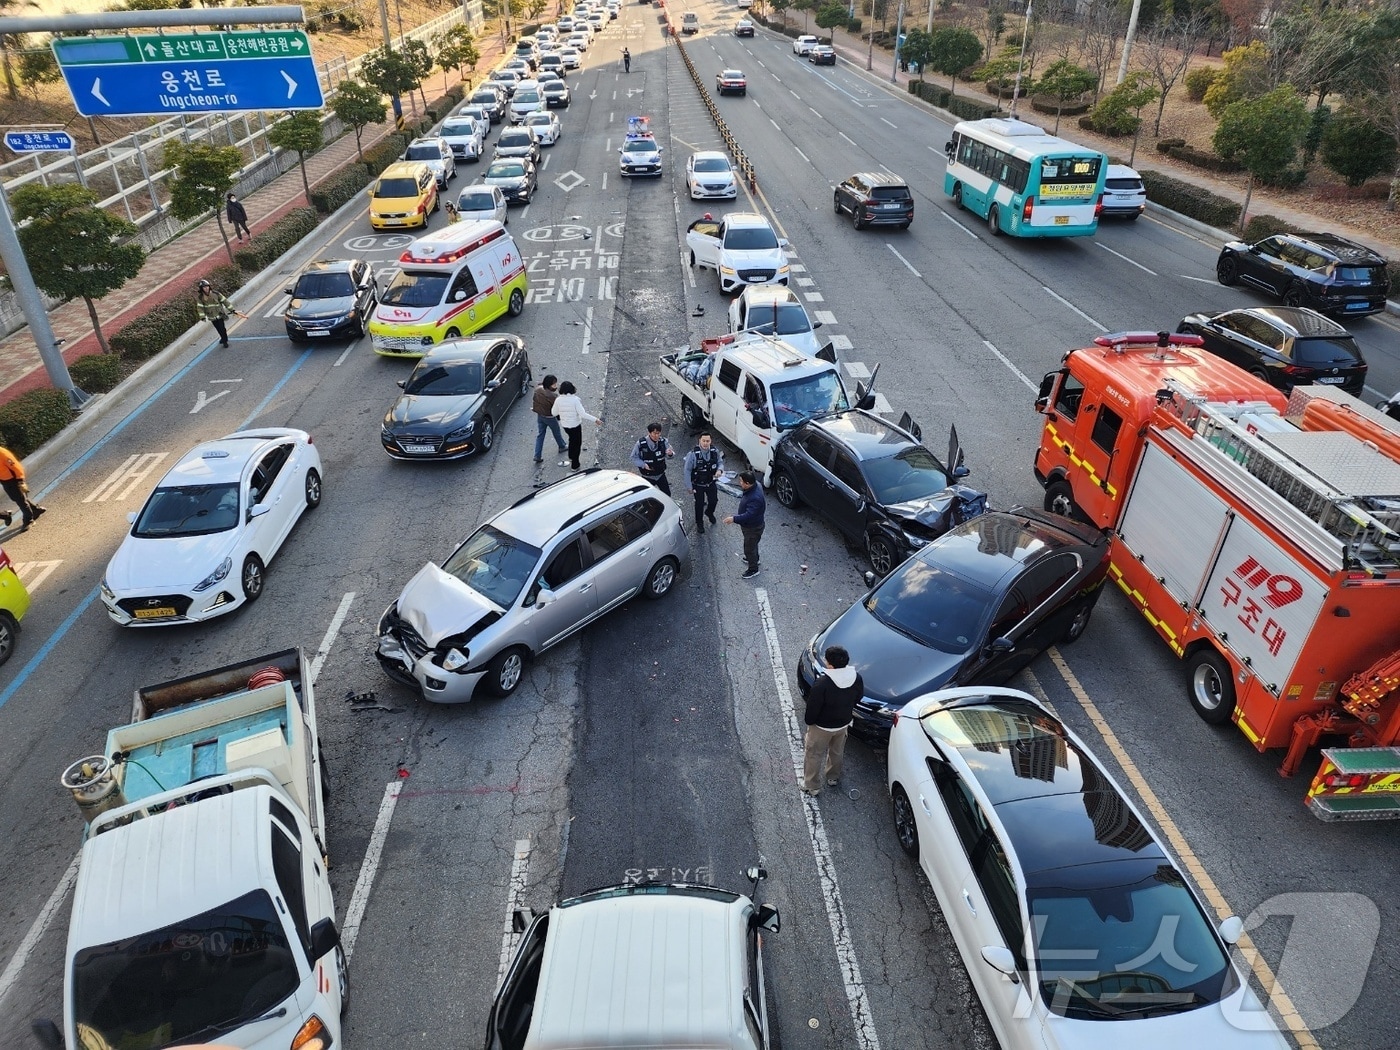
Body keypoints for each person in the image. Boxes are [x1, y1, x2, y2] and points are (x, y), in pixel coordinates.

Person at [802, 646, 863, 796]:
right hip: (843, 724)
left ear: (830, 664)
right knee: (836, 751)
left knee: (814, 754)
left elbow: (813, 708)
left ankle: (812, 785)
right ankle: (832, 777)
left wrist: (809, 722)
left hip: (822, 727)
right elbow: (858, 697)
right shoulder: (856, 677)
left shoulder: (823, 683)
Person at [724, 470, 765, 580]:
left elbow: (749, 515)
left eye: (741, 481)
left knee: (749, 548)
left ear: (748, 483)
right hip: (751, 526)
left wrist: (733, 519)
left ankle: (753, 569)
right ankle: (754, 558)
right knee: (752, 544)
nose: (739, 483)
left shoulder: (755, 498)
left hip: (752, 527)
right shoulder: (756, 486)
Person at [552, 381, 602, 471]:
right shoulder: (575, 400)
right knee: (577, 443)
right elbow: (582, 414)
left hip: (565, 425)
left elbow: (554, 412)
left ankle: (571, 456)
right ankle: (575, 465)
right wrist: (595, 419)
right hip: (575, 425)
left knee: (572, 439)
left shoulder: (558, 400)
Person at [683, 432, 723, 534]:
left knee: (714, 501)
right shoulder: (692, 454)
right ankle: (699, 522)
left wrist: (720, 470)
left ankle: (709, 513)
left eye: (707, 441)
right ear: (699, 441)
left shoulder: (715, 451)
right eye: (703, 441)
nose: (705, 443)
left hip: (710, 482)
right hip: (698, 484)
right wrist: (689, 486)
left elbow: (720, 462)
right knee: (699, 504)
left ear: (711, 441)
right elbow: (687, 470)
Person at [0, 445, 44, 531]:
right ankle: (35, 510)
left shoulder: (1, 453)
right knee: (17, 498)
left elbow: (15, 465)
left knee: (20, 500)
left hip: (13, 479)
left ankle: (28, 520)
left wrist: (21, 480)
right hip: (5, 480)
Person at [194, 280, 245, 349]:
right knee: (218, 329)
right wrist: (202, 316)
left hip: (220, 314)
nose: (206, 288)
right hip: (212, 317)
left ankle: (225, 340)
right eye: (204, 287)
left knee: (222, 328)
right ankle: (222, 338)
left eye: (207, 287)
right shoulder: (200, 298)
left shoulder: (216, 294)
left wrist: (231, 309)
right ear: (201, 289)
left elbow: (225, 301)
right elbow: (200, 308)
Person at [532, 374, 569, 465]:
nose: (556, 386)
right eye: (554, 384)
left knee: (540, 435)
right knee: (556, 432)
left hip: (540, 416)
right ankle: (562, 446)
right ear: (549, 385)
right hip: (550, 417)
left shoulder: (538, 390)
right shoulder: (552, 396)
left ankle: (537, 455)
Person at [630, 423, 675, 494]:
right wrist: (643, 464)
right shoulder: (641, 443)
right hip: (647, 476)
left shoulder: (663, 441)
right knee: (646, 496)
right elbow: (633, 457)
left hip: (660, 474)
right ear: (649, 433)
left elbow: (671, 455)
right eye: (654, 433)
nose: (656, 436)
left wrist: (670, 454)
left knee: (667, 494)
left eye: (658, 433)